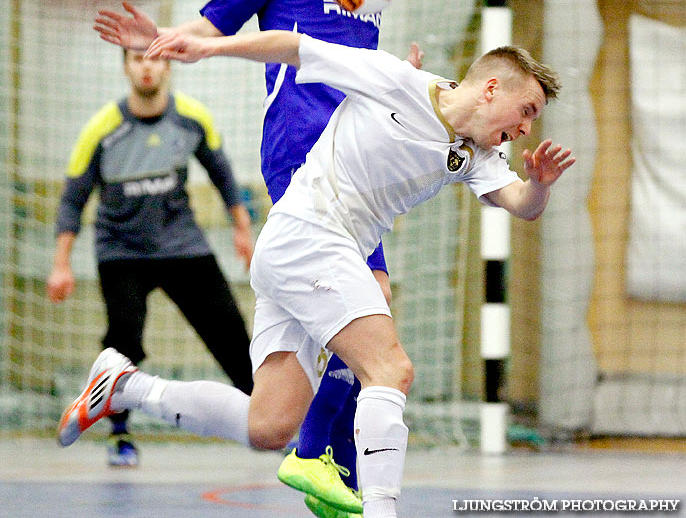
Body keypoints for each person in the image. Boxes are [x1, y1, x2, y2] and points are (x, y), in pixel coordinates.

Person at [57, 28, 575, 518]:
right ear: (490, 88)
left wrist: (541, 185)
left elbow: (519, 203)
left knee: (268, 425)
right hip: (310, 235)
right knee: (390, 369)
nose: (527, 128)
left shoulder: (477, 152)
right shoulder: (394, 80)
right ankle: (381, 509)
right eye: (526, 111)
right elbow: (294, 47)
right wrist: (208, 48)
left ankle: (124, 385)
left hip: (310, 255)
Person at [92, 0, 421, 517]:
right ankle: (330, 463)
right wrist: (160, 39)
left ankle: (138, 391)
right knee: (380, 316)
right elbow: (216, 22)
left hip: (357, 156)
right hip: (304, 152)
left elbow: (358, 65)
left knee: (274, 411)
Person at [47, 48, 254, 466]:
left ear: (168, 66)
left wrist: (242, 228)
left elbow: (222, 173)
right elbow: (73, 198)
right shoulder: (102, 130)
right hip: (122, 252)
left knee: (232, 334)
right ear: (125, 67)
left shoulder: (192, 118)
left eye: (155, 59)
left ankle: (268, 421)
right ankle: (120, 436)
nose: (147, 66)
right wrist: (61, 262)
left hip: (182, 246)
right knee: (123, 342)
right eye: (138, 58)